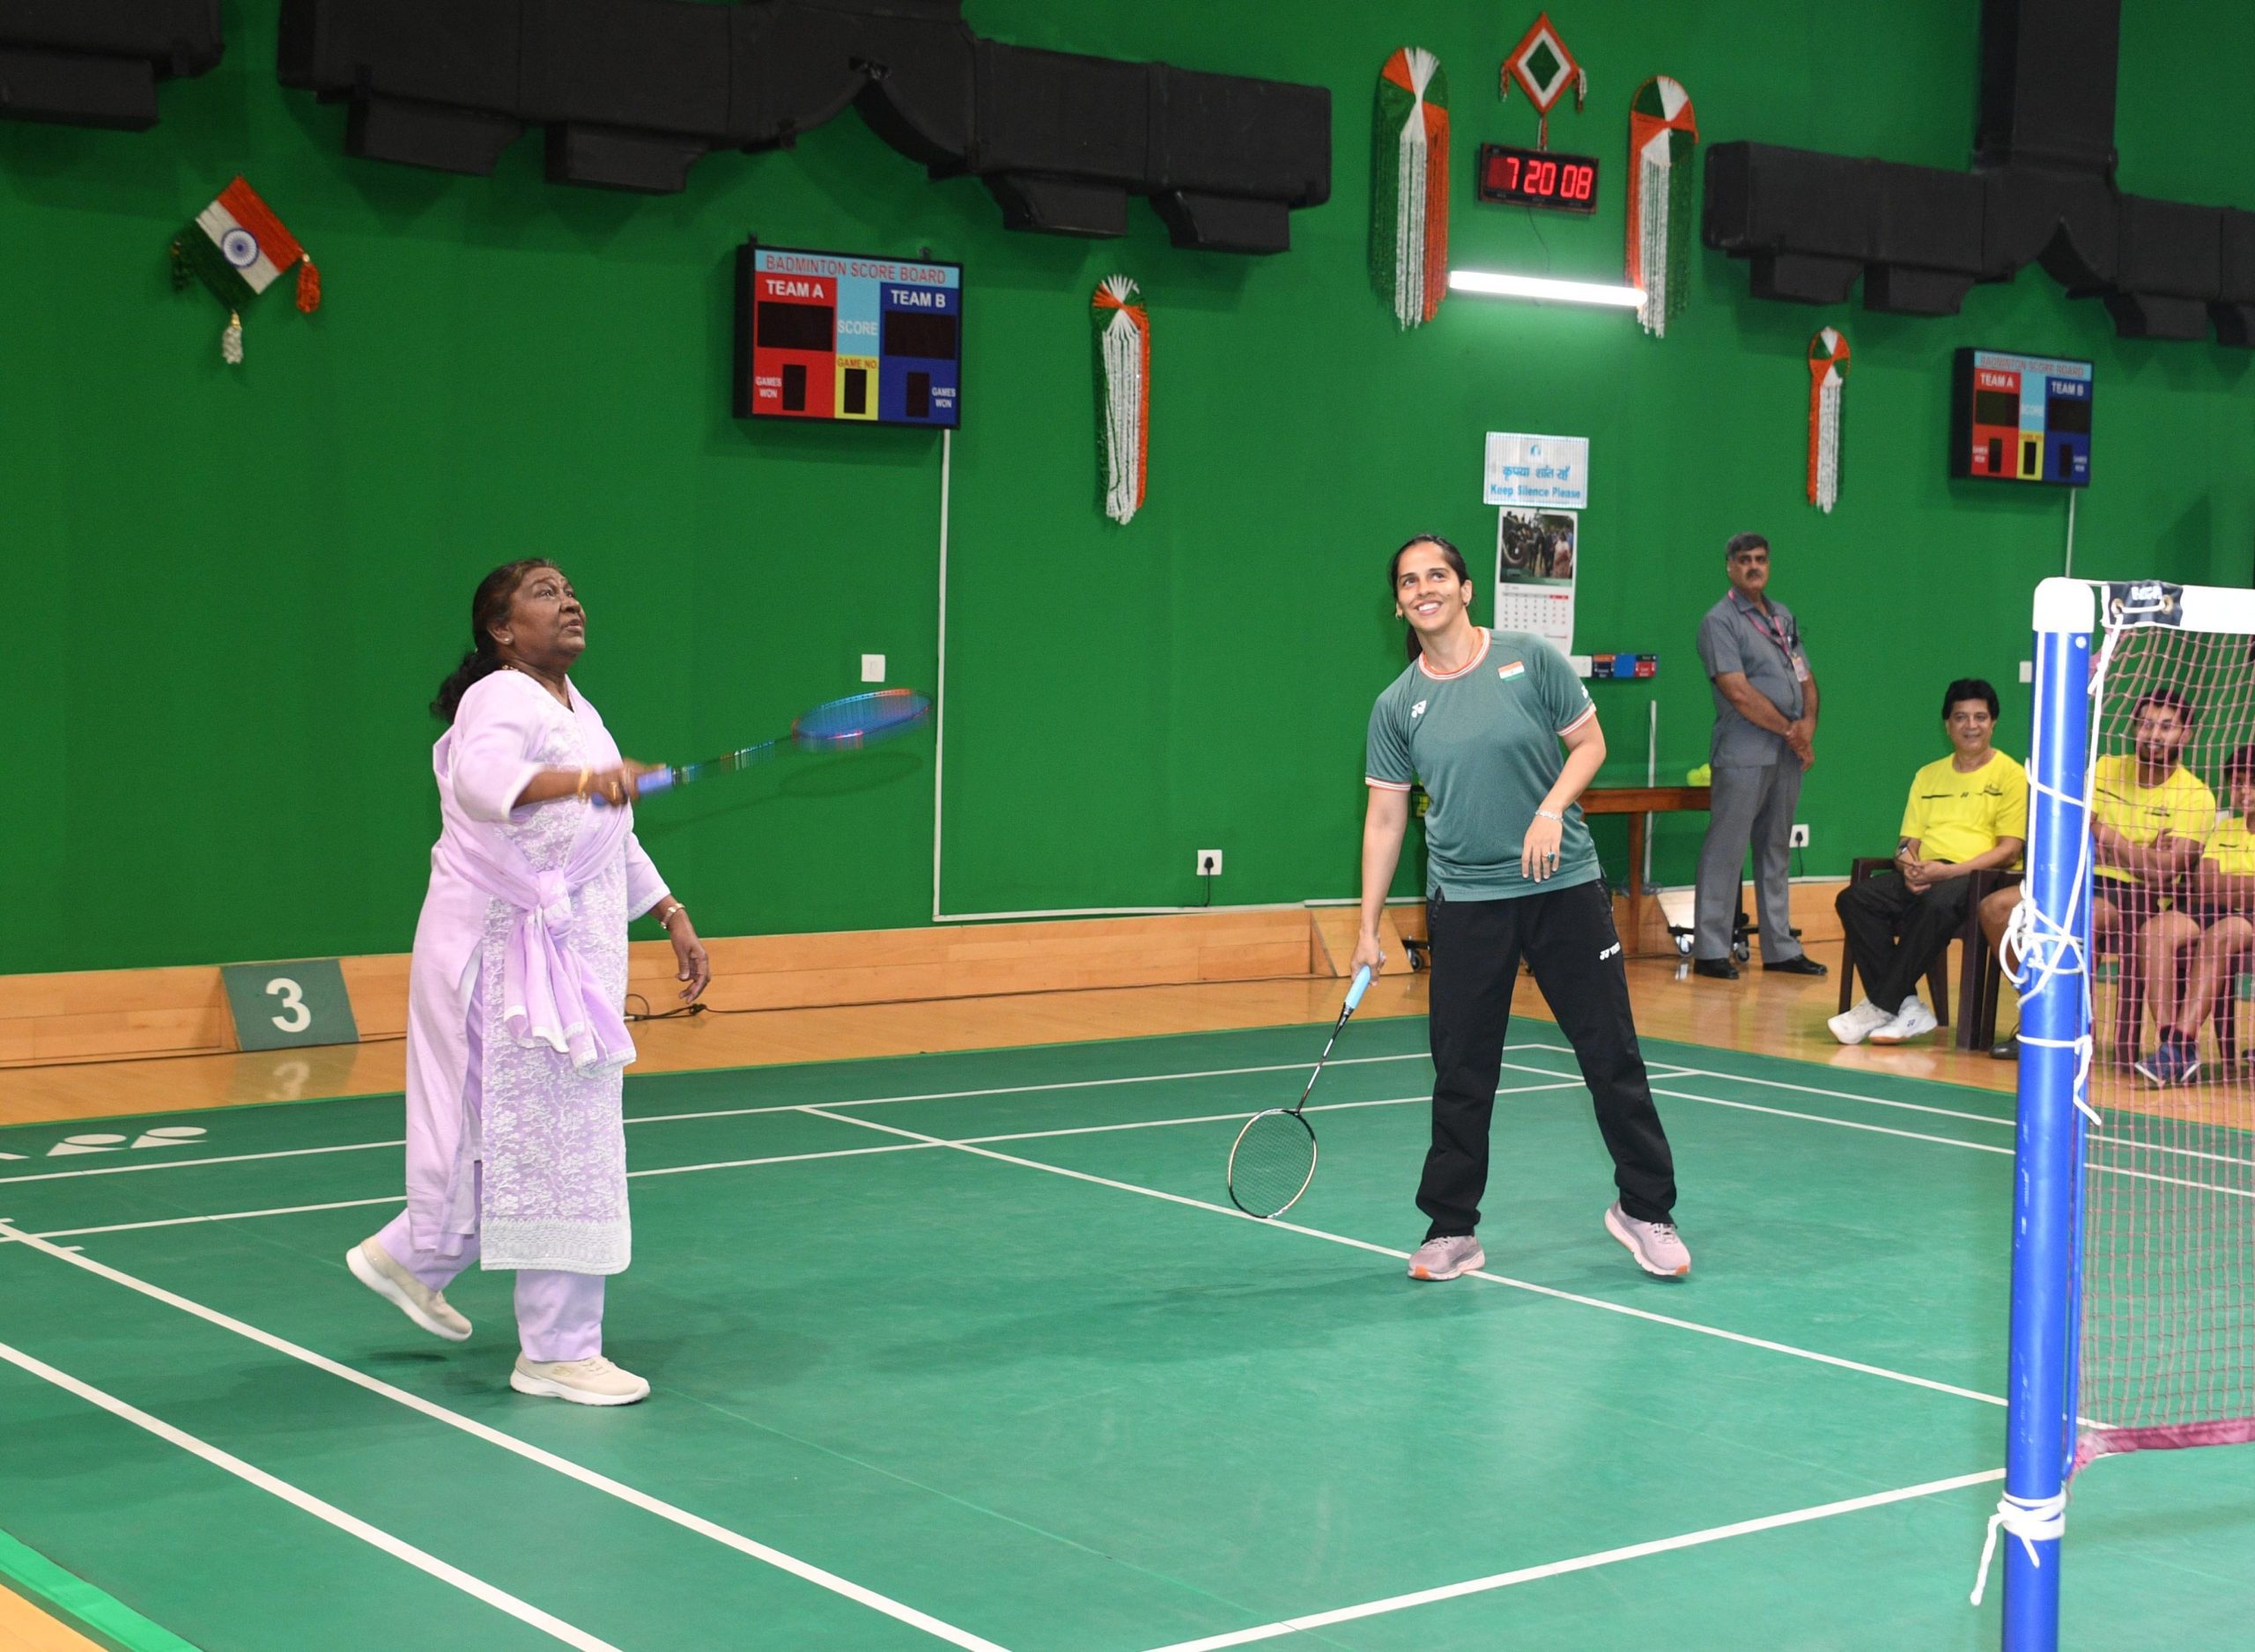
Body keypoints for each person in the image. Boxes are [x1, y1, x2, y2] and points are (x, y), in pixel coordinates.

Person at [347, 558, 710, 1405]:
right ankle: (555, 1352)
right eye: (546, 593)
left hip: (562, 960)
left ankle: (415, 1254)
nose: (571, 600)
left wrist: (669, 912)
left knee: (529, 1130)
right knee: (556, 1143)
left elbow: (603, 839)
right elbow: (483, 788)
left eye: (573, 589)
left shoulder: (577, 710)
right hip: (507, 961)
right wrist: (590, 781)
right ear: (503, 630)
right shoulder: (501, 698)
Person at [1353, 534, 1687, 1282]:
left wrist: (1550, 811)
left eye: (1436, 574)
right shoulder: (1397, 704)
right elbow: (1384, 819)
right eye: (1408, 581)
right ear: (1400, 602)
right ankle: (1451, 1230)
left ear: (1467, 588)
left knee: (1611, 1056)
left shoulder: (1530, 659)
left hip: (1563, 886)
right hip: (1467, 902)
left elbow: (1590, 745)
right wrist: (1367, 926)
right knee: (1463, 1071)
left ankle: (1645, 1209)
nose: (1423, 588)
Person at [1978, 686, 2215, 1061]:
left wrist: (2105, 834)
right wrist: (2140, 852)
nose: (2153, 735)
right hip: (2081, 878)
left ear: (2185, 735)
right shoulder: (2105, 767)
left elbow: (2164, 874)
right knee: (1995, 909)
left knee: (2079, 921)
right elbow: (2073, 830)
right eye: (2146, 724)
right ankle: (2041, 1010)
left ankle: (2072, 1032)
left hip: (2140, 899)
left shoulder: (2196, 795)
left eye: (2166, 727)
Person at [1830, 680, 2026, 1046]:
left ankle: (1879, 1005)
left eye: (1980, 717)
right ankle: (1907, 1007)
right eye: (1961, 718)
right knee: (1855, 899)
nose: (1971, 726)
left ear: (1994, 723)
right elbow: (1906, 844)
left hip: (1976, 877)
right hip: (1927, 871)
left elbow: (2009, 849)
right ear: (1947, 725)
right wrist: (1909, 868)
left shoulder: (2011, 775)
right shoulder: (1928, 775)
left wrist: (1948, 871)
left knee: (1936, 902)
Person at [1690, 533, 1826, 980]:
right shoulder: (1720, 621)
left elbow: (1804, 676)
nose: (1754, 566)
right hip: (1745, 750)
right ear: (1729, 566)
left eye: (1761, 559)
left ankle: (1780, 948)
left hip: (1787, 752)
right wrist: (1792, 730)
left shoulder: (1782, 616)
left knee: (1775, 849)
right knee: (1725, 850)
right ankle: (1711, 948)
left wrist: (1807, 725)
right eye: (1744, 560)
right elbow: (1738, 691)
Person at [2133, 742, 2255, 1085]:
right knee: (2155, 931)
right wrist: (2243, 885)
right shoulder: (2226, 828)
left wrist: (2227, 885)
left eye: (2251, 782)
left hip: (2244, 919)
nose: (2244, 790)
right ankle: (2171, 1044)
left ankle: (2180, 1045)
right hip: (2211, 907)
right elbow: (2204, 885)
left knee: (2223, 933)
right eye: (2237, 781)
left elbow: (2220, 883)